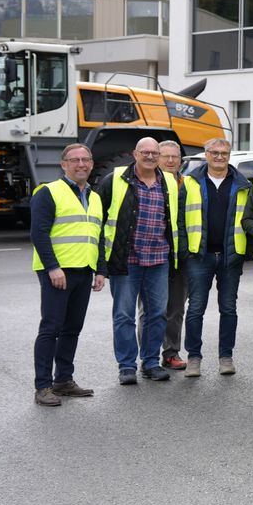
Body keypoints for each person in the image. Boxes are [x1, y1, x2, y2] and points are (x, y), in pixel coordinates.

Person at [99, 137, 184, 385]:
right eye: (144, 152)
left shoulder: (168, 181)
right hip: (126, 261)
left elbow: (173, 221)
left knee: (157, 314)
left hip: (159, 259)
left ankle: (150, 363)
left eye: (154, 152)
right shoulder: (114, 180)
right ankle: (126, 366)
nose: (150, 156)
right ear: (135, 154)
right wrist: (101, 263)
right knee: (124, 315)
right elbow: (98, 218)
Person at [30, 143, 105, 406]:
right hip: (57, 272)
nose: (81, 164)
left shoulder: (94, 197)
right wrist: (52, 267)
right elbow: (38, 233)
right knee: (51, 328)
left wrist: (100, 270)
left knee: (72, 328)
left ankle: (63, 380)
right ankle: (43, 387)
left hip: (84, 270)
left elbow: (98, 235)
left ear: (92, 164)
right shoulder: (49, 192)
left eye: (86, 159)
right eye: (75, 160)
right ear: (64, 164)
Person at [183, 137, 253, 377]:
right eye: (214, 152)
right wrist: (186, 250)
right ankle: (193, 358)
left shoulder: (243, 184)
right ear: (205, 154)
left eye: (224, 153)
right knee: (196, 308)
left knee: (228, 309)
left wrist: (244, 252)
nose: (219, 157)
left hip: (230, 256)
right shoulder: (190, 182)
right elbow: (178, 218)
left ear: (229, 155)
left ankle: (226, 357)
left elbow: (248, 218)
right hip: (199, 255)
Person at [152, 140, 191, 370]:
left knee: (176, 309)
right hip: (152, 256)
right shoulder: (147, 183)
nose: (169, 161)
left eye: (174, 157)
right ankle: (148, 356)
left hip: (180, 257)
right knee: (151, 310)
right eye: (164, 156)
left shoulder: (188, 185)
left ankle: (170, 353)